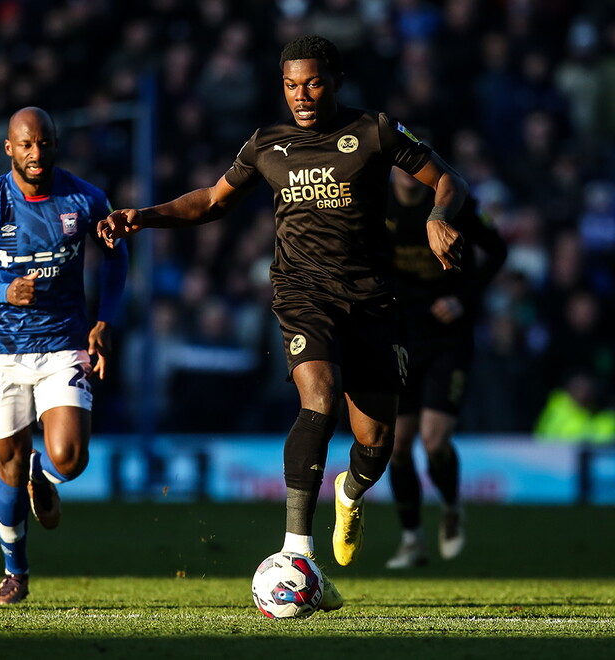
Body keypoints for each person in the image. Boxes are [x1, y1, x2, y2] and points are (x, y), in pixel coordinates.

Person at [98, 35, 467, 607]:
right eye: (292, 85)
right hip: (302, 295)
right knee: (318, 399)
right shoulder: (266, 144)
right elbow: (212, 200)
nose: (302, 95)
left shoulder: (373, 130)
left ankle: (351, 491)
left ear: (335, 80)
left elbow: (448, 179)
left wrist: (438, 215)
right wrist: (142, 217)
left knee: (376, 442)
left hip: (372, 302)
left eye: (313, 83)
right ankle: (298, 552)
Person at [0, 107, 128, 606]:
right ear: (9, 148)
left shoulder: (85, 199)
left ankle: (42, 475)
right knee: (7, 466)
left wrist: (104, 321)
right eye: (26, 144)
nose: (35, 153)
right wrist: (3, 292)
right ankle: (15, 573)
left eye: (44, 143)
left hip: (62, 343)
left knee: (69, 457)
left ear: (55, 144)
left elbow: (116, 258)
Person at [383, 167, 506, 569]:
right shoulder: (375, 203)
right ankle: (411, 540)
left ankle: (452, 506)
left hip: (447, 337)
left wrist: (462, 299)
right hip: (400, 335)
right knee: (397, 445)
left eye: (414, 161)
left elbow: (498, 250)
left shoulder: (455, 204)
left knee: (434, 442)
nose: (407, 171)